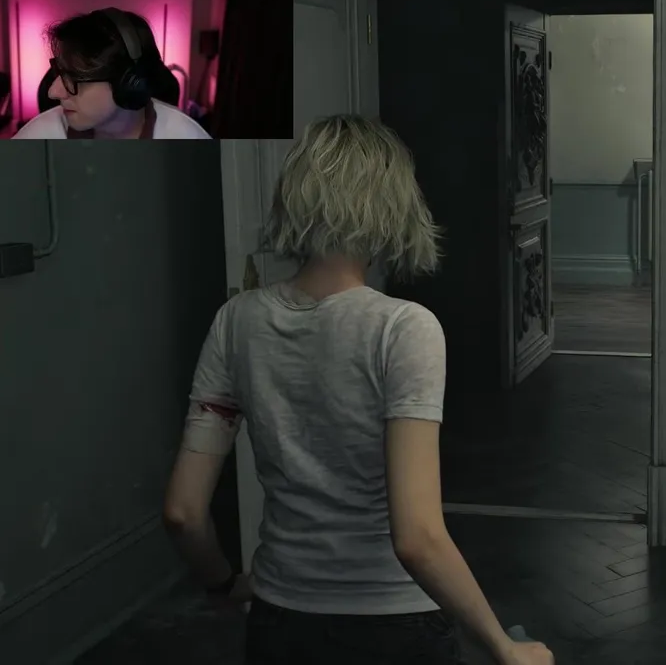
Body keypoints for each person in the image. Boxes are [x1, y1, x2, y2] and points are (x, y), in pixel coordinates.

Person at [161, 115, 553, 665]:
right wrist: (502, 646)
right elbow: (416, 537)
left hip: (281, 622)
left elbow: (183, 512)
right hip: (394, 628)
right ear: (393, 206)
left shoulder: (236, 321)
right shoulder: (403, 328)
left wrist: (223, 584)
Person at [13, 8, 208, 139]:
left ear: (129, 84)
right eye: (59, 72)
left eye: (75, 77)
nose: (53, 92)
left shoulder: (187, 137)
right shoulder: (37, 134)